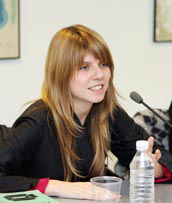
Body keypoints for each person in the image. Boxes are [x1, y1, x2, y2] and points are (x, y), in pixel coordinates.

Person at [0, 24, 171, 200]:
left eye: (103, 64)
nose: (99, 75)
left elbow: (156, 157)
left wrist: (152, 167)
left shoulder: (108, 112)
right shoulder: (39, 120)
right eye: (84, 67)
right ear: (61, 74)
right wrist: (54, 186)